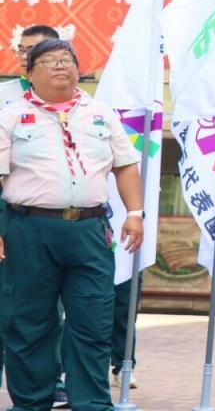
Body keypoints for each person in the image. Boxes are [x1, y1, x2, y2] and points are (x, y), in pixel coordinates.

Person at [0, 39, 145, 411]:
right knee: (29, 324)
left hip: (89, 230)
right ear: (29, 74)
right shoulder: (10, 115)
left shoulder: (100, 113)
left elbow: (125, 164)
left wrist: (134, 213)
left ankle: (92, 404)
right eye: (48, 61)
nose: (59, 66)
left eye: (66, 59)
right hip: (28, 229)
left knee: (93, 321)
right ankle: (32, 403)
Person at [0, 25, 63, 404]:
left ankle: (46, 381)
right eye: (22, 49)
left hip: (43, 214)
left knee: (43, 305)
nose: (27, 55)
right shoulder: (4, 97)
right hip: (8, 205)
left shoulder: (72, 101)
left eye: (36, 49)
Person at [0, 25, 60, 108]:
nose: (24, 57)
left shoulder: (74, 97)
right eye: (21, 50)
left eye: (32, 51)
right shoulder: (2, 93)